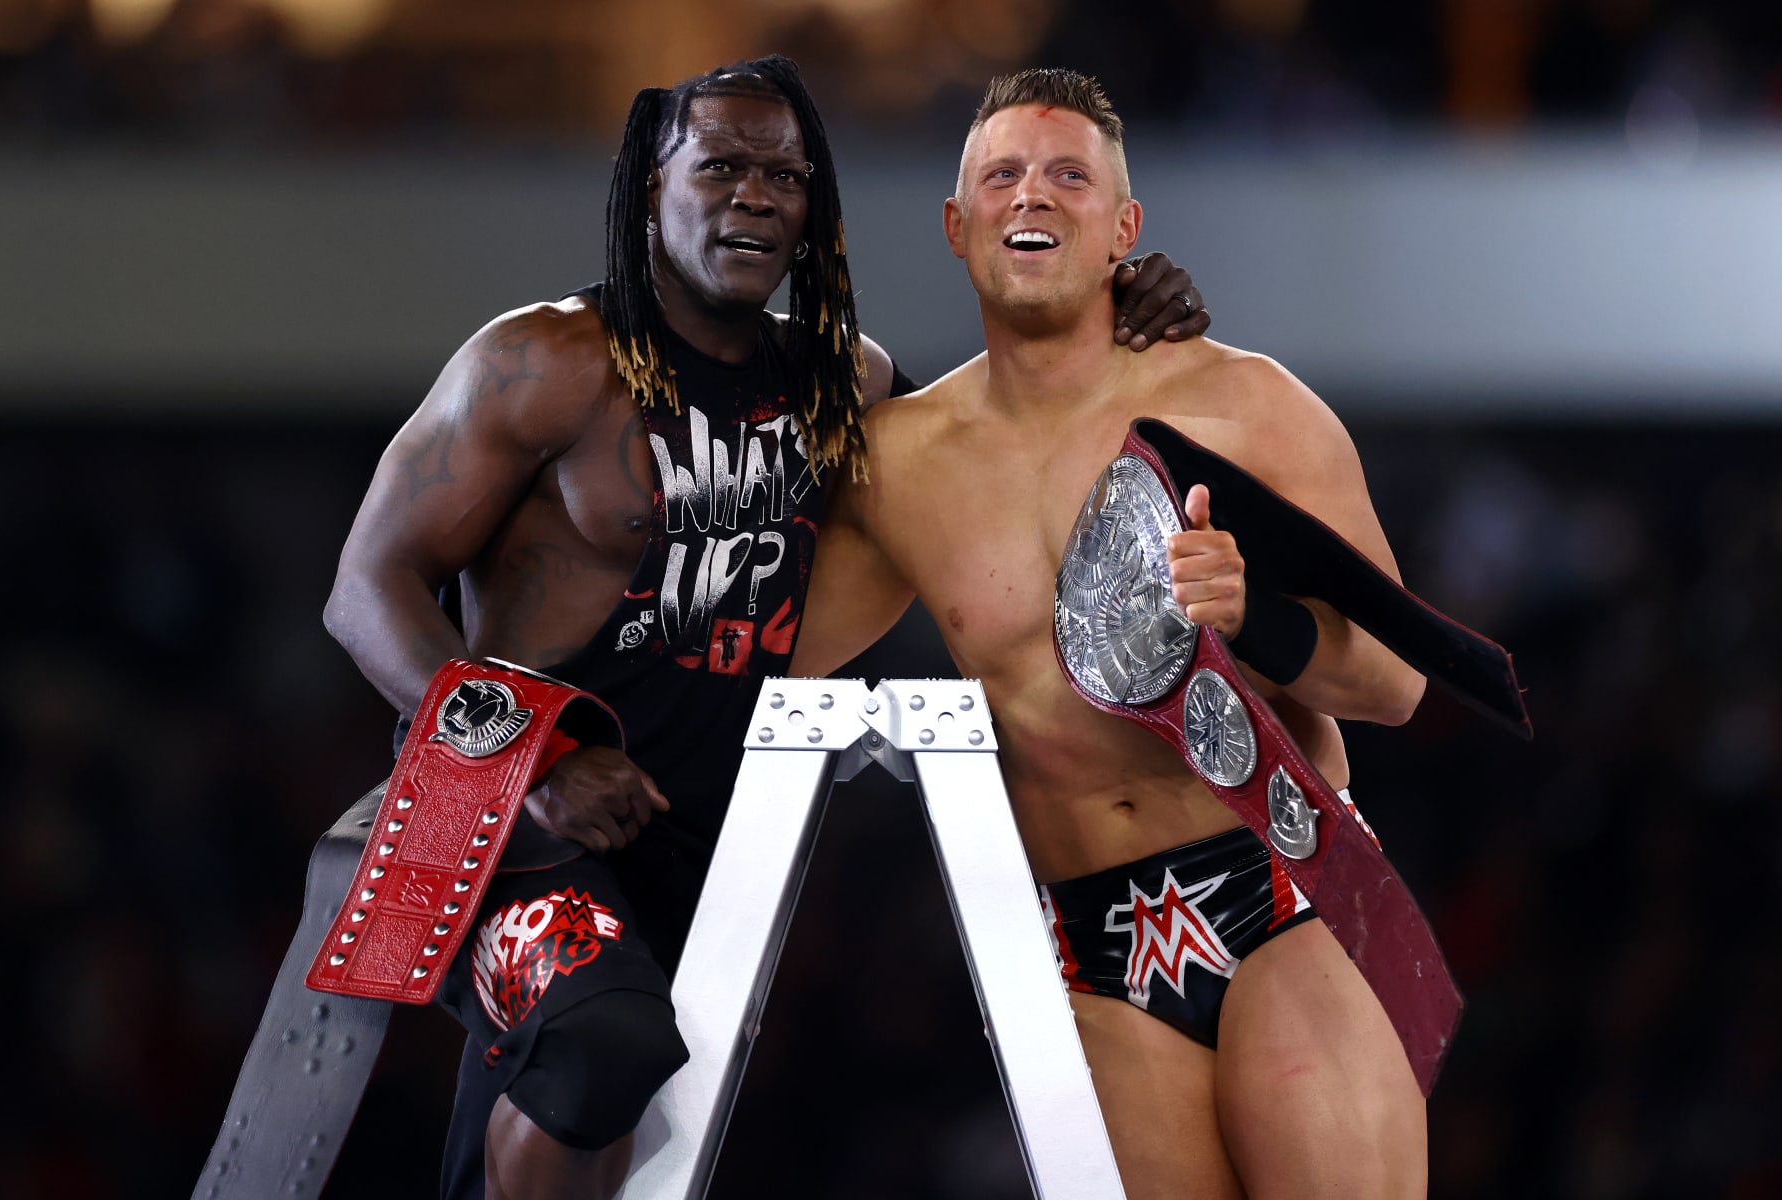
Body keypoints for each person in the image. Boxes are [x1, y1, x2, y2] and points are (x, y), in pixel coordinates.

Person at [319, 56, 1209, 1200]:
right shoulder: (542, 360)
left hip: (688, 827)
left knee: (605, 1096)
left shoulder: (846, 382)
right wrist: (533, 761)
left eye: (784, 176)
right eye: (722, 165)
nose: (754, 195)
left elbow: (1001, 439)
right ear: (650, 183)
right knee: (603, 1048)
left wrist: (1111, 310)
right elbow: (362, 590)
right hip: (494, 819)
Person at [789, 69, 1431, 1198]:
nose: (1033, 194)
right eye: (1003, 174)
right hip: (1095, 948)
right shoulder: (896, 466)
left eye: (1069, 174)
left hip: (1292, 888)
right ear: (957, 223)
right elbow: (755, 667)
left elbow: (1400, 688)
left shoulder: (1249, 407)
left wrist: (1255, 616)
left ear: (1124, 227)